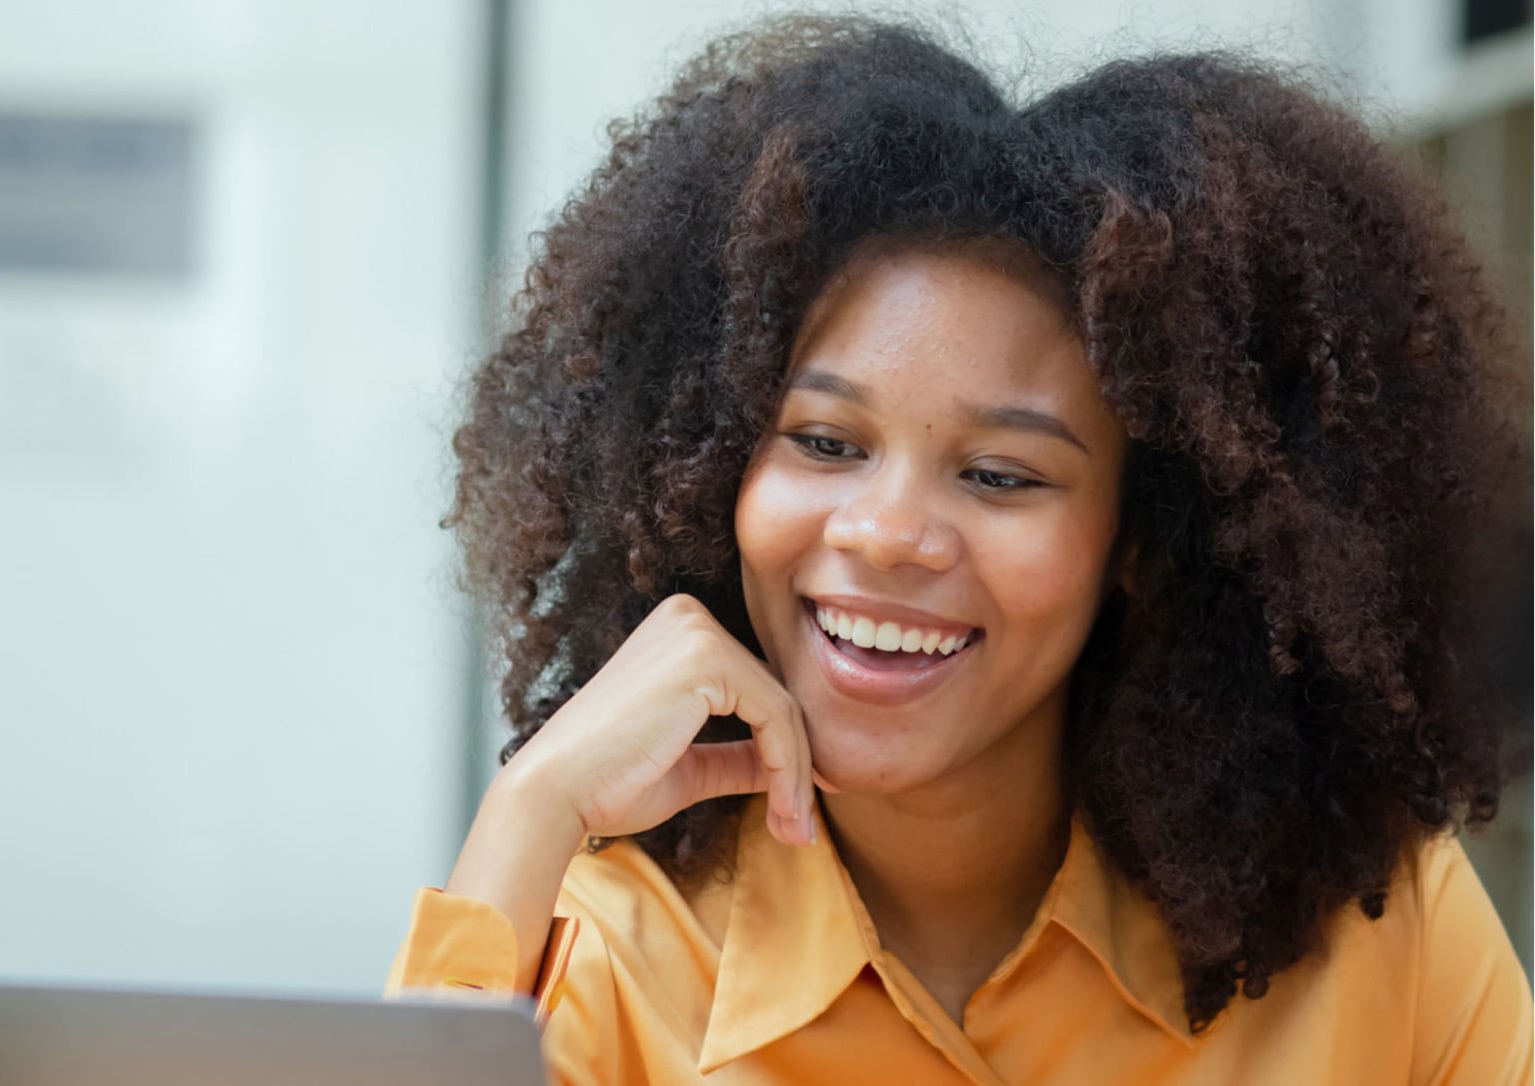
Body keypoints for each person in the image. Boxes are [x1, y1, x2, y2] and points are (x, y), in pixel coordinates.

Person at [386, 16, 1533, 1084]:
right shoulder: (593, 960)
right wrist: (528, 812)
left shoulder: (1379, 929)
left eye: (998, 474)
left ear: (1138, 538)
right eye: (825, 442)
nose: (883, 534)